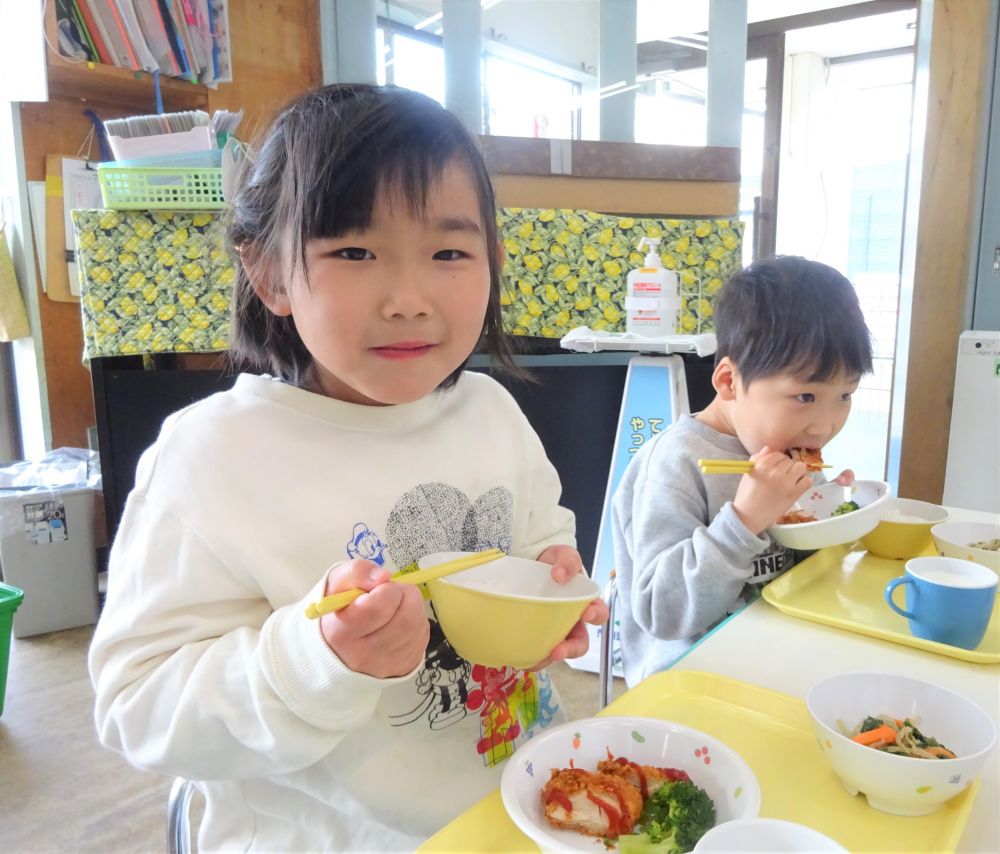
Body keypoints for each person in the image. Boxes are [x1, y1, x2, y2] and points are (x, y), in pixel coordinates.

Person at [89, 84, 608, 852]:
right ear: (268, 273)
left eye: (449, 252)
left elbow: (539, 535)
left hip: (512, 810)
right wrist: (314, 659)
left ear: (491, 261)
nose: (408, 298)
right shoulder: (210, 458)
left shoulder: (491, 411)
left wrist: (547, 583)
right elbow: (137, 706)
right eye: (354, 251)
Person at [611, 256, 873, 687]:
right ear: (729, 381)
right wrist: (744, 521)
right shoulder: (676, 463)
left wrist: (837, 520)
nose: (825, 426)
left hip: (776, 663)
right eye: (805, 396)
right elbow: (662, 612)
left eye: (844, 396)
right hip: (691, 683)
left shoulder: (791, 450)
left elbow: (801, 572)